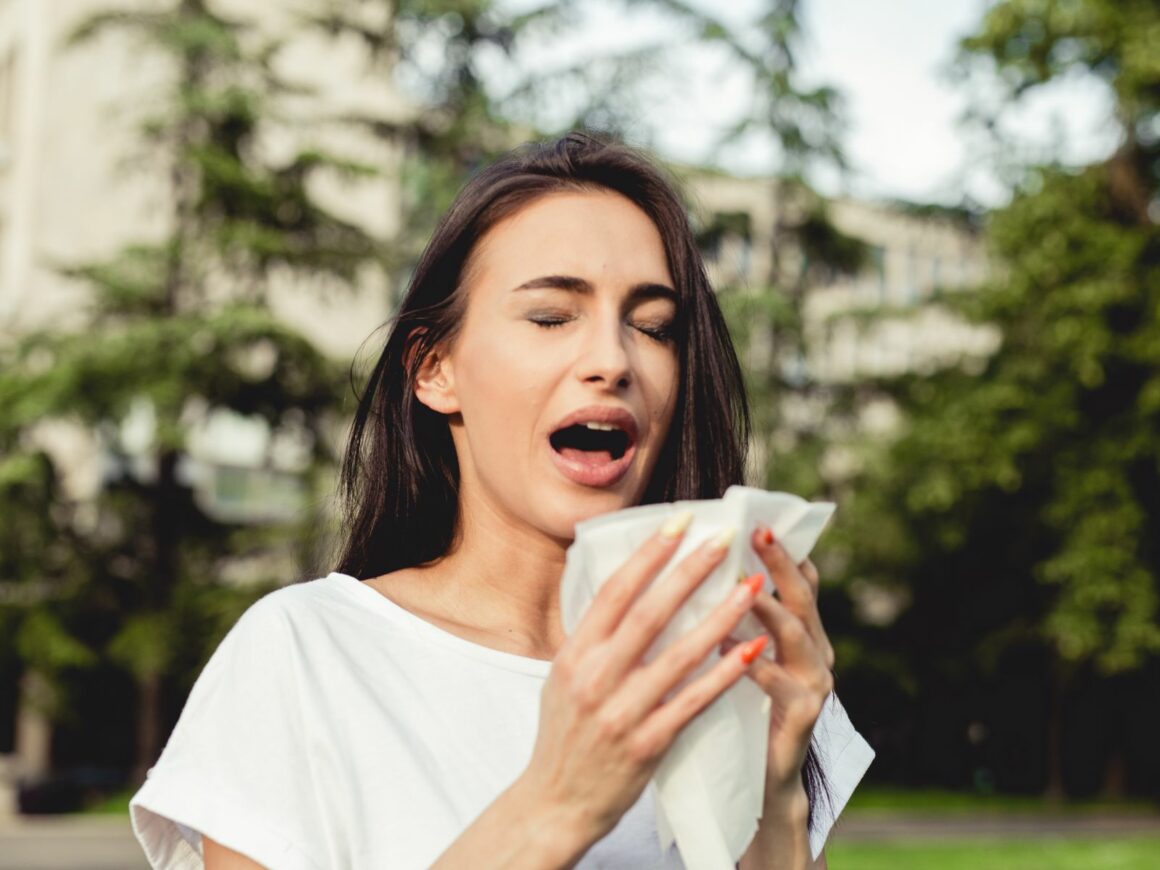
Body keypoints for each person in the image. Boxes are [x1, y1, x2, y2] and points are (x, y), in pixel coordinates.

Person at [130, 132, 874, 869]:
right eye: (551, 316)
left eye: (653, 327)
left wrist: (776, 806)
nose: (613, 360)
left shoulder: (728, 663)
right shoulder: (305, 653)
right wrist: (555, 806)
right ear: (435, 370)